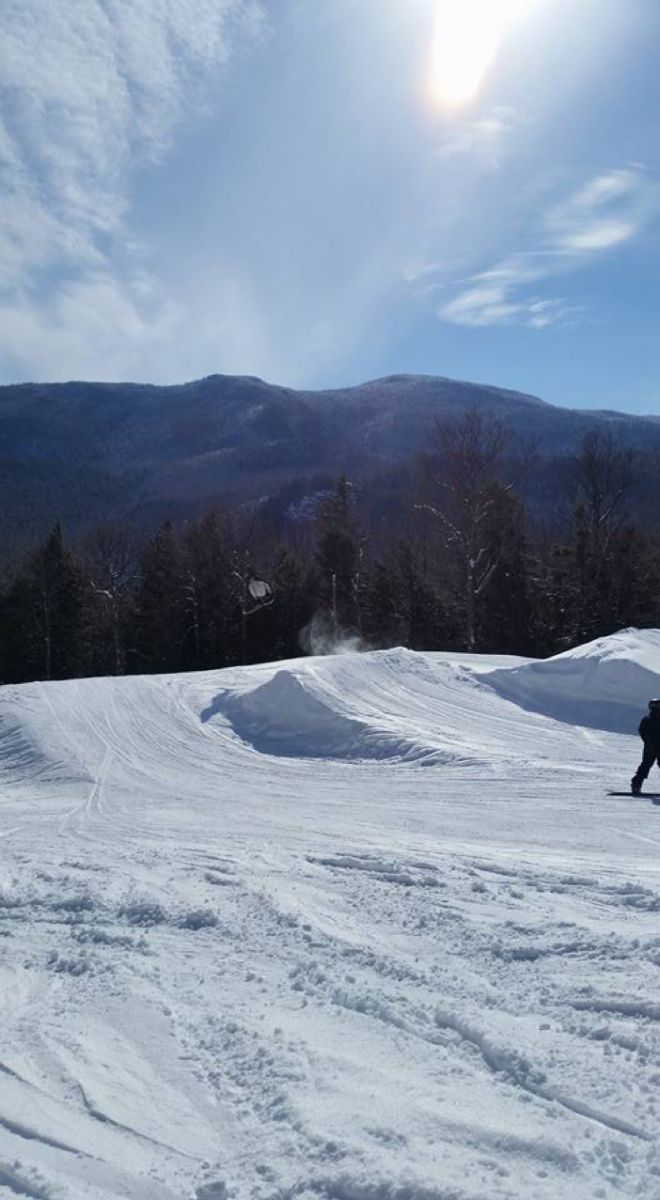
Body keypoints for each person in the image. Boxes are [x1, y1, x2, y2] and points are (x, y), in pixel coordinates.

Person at [631, 699, 660, 794]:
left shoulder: (647, 719)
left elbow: (642, 732)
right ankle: (636, 785)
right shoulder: (647, 719)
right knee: (645, 765)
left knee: (645, 765)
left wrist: (647, 742)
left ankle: (636, 785)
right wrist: (648, 742)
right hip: (650, 747)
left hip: (650, 747)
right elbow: (642, 732)